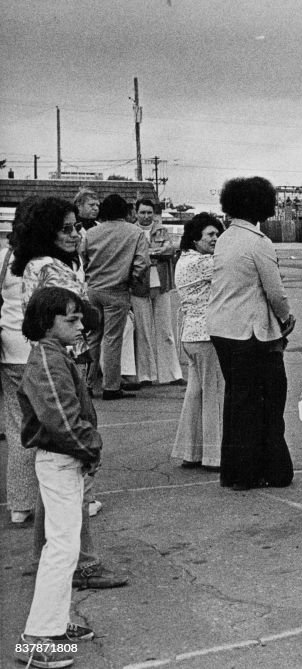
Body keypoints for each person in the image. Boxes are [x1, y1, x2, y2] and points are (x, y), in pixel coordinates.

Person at [6, 198, 127, 591]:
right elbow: (55, 318)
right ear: (47, 232)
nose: (76, 234)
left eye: (77, 227)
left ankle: (47, 554)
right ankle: (82, 563)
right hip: (54, 363)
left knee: (55, 472)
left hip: (66, 359)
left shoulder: (60, 262)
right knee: (72, 464)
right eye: (66, 229)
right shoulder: (44, 266)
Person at [16, 287, 102, 669]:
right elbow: (62, 418)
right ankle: (37, 640)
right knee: (63, 548)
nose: (79, 324)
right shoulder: (48, 361)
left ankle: (56, 624)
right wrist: (90, 447)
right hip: (60, 457)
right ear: (46, 323)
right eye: (71, 319)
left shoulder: (53, 355)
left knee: (62, 544)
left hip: (64, 456)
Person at [208, 177, 295, 492]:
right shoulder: (258, 242)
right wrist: (287, 318)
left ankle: (235, 471)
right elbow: (276, 292)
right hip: (250, 333)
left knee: (237, 402)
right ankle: (264, 469)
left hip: (222, 329)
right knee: (268, 401)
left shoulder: (226, 238)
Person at [80, 194, 149, 400]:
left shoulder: (91, 233)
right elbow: (142, 264)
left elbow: (81, 259)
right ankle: (111, 386)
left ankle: (87, 384)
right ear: (126, 212)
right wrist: (132, 281)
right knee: (112, 339)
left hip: (93, 289)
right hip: (117, 290)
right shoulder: (135, 233)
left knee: (92, 336)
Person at [171, 214, 224, 470]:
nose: (215, 239)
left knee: (196, 394)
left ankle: (191, 452)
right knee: (213, 393)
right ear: (196, 239)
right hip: (206, 335)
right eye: (210, 235)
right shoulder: (204, 262)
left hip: (191, 334)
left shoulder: (185, 259)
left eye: (217, 234)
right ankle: (214, 456)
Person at [2, 196, 38, 525]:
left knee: (16, 429)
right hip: (38, 351)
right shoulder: (46, 261)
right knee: (52, 427)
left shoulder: (5, 256)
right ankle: (61, 499)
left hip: (7, 348)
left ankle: (19, 503)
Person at [131, 198, 183, 386]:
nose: (146, 216)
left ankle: (171, 374)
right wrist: (156, 252)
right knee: (143, 332)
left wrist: (152, 253)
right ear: (136, 213)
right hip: (139, 285)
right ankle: (145, 375)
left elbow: (170, 250)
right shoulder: (132, 231)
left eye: (149, 212)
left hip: (161, 283)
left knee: (165, 330)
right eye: (142, 212)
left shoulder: (162, 230)